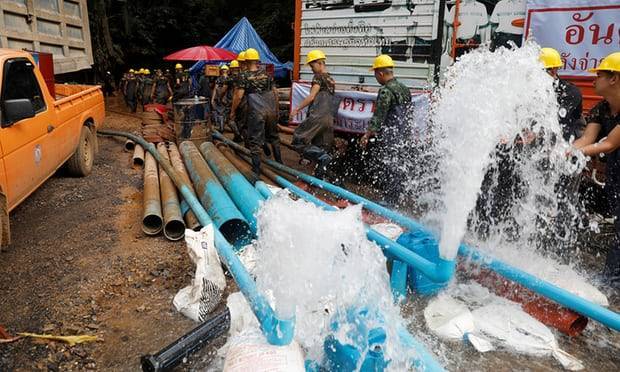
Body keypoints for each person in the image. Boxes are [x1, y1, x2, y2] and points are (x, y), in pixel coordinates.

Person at [573, 52, 620, 287]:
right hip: (616, 171)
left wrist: (574, 153)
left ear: (614, 79)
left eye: (599, 75)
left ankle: (611, 282)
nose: (593, 80)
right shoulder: (602, 107)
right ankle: (610, 280)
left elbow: (609, 143)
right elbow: (587, 139)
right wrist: (565, 150)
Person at [360, 54, 412, 206]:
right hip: (403, 133)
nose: (376, 77)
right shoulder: (404, 89)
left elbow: (379, 115)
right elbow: (409, 113)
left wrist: (367, 134)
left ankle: (389, 200)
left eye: (376, 74)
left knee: (389, 165)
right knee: (399, 164)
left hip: (390, 133)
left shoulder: (385, 91)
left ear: (380, 73)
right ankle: (396, 197)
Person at [230, 48, 282, 183]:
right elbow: (275, 93)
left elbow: (239, 96)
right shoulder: (266, 75)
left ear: (246, 61)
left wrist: (233, 110)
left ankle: (256, 171)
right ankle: (280, 165)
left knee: (255, 141)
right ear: (257, 60)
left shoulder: (244, 76)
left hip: (256, 112)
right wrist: (276, 110)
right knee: (274, 138)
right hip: (271, 110)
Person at [290, 49, 338, 179]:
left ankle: (323, 157)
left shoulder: (318, 77)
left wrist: (297, 109)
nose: (311, 69)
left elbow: (311, 97)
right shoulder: (331, 79)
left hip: (318, 117)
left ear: (320, 63)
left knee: (298, 140)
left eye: (312, 66)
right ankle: (321, 181)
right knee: (321, 149)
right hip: (329, 119)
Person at [540, 48, 584, 141]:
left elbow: (557, 120)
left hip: (568, 138)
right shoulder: (531, 91)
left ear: (553, 70)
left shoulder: (569, 92)